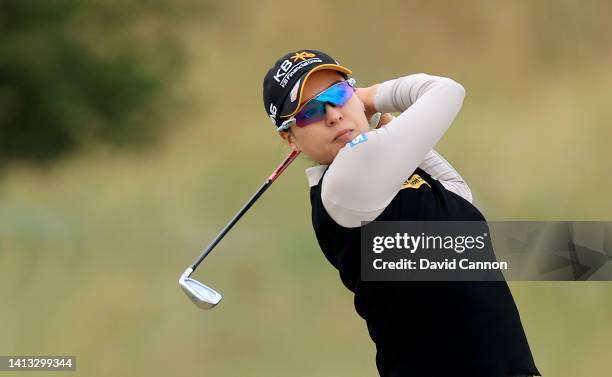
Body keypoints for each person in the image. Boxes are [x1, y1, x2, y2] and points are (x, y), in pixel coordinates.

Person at [262, 49, 541, 377]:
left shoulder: (382, 180)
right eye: (310, 112)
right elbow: (446, 91)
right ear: (289, 137)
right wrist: (369, 98)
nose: (333, 114)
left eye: (338, 94)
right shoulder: (344, 181)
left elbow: (461, 200)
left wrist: (376, 118)